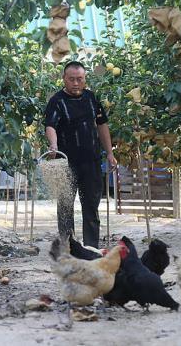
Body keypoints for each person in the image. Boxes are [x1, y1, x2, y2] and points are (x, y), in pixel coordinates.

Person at [44, 61, 117, 248]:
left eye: (80, 79)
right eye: (71, 79)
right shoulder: (57, 101)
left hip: (91, 161)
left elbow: (102, 125)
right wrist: (53, 145)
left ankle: (91, 248)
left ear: (85, 79)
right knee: (65, 207)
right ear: (64, 79)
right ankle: (68, 248)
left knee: (91, 207)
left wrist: (109, 153)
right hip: (66, 163)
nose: (76, 83)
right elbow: (50, 125)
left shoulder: (92, 98)